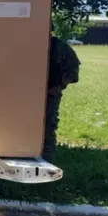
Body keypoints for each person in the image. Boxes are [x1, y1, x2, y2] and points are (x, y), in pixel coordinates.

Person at [42, 28, 81, 161]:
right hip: (27, 94)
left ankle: (47, 159)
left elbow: (73, 69)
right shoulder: (27, 44)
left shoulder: (60, 47)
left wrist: (60, 86)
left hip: (50, 93)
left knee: (48, 126)